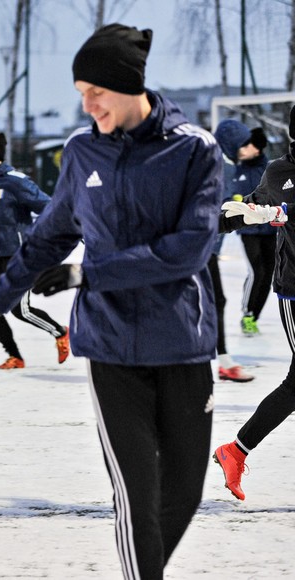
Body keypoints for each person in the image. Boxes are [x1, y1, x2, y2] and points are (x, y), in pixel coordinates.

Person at [0, 24, 222, 579]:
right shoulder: (82, 151)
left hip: (181, 341)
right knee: (135, 498)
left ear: (128, 86)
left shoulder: (195, 150)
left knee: (183, 491)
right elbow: (51, 235)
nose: (86, 103)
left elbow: (191, 249)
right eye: (80, 91)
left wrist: (90, 271)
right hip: (110, 348)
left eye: (95, 91)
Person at [212, 108, 295, 503]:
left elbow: (280, 211)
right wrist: (209, 221)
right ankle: (236, 451)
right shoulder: (279, 172)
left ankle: (235, 451)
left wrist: (281, 213)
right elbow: (248, 208)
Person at [0, 132, 70, 369]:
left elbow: (49, 207)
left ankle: (59, 332)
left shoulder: (15, 180)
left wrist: (38, 236)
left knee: (22, 310)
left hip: (17, 254)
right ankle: (14, 356)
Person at [208, 119, 263, 382]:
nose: (245, 148)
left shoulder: (220, 162)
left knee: (214, 300)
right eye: (242, 143)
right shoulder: (216, 162)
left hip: (206, 245)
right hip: (199, 245)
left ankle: (222, 360)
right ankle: (221, 361)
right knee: (214, 300)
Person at [216, 122, 274, 336]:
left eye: (248, 145)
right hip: (247, 231)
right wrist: (234, 203)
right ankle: (247, 313)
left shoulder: (269, 168)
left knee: (268, 273)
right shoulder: (235, 169)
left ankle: (254, 315)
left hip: (269, 228)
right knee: (256, 270)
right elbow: (227, 195)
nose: (244, 149)